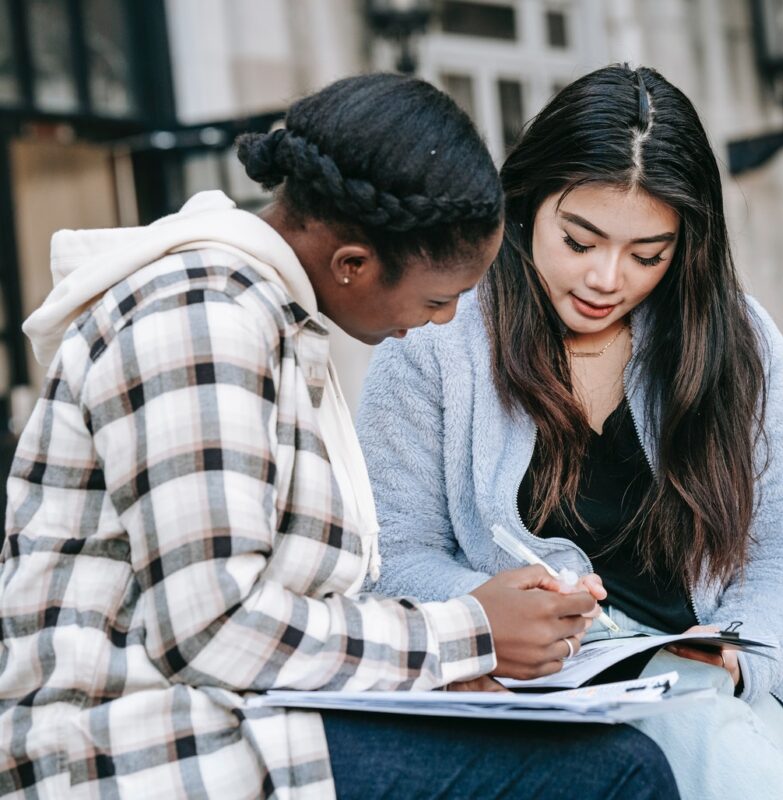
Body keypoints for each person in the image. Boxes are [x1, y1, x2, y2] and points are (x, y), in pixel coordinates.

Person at [0, 73, 678, 799]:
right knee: (618, 773)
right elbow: (213, 631)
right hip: (127, 748)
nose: (446, 321)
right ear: (352, 264)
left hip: (236, 721)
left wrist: (453, 661)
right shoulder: (200, 322)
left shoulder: (261, 319)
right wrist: (468, 632)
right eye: (438, 298)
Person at [357, 64, 783, 799]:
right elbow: (392, 557)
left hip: (722, 695)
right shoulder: (434, 336)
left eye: (647, 255)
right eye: (580, 240)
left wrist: (735, 660)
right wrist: (495, 611)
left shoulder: (740, 341)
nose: (607, 278)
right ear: (528, 204)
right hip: (541, 703)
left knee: (709, 734)